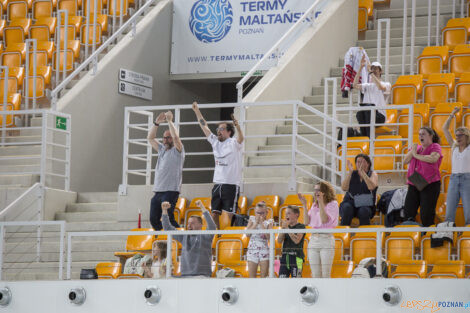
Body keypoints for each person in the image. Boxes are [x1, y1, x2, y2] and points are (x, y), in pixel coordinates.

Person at [192, 101, 244, 229]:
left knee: (227, 216)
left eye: (222, 129)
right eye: (218, 129)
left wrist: (238, 126)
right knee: (214, 214)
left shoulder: (233, 143)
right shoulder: (215, 142)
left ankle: (226, 238)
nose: (219, 131)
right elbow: (204, 126)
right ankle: (216, 237)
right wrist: (196, 111)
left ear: (229, 132)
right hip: (217, 184)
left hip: (231, 184)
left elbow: (241, 138)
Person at [147, 111, 184, 230]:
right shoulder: (162, 149)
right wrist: (156, 123)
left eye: (168, 137)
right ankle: (162, 237)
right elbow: (150, 138)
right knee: (153, 218)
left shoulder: (178, 150)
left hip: (170, 190)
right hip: (158, 191)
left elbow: (176, 138)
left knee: (168, 217)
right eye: (164, 137)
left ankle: (181, 238)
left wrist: (169, 121)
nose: (165, 140)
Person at [161, 200, 215, 277]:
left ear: (200, 225)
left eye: (192, 223)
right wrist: (164, 210)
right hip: (185, 275)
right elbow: (167, 228)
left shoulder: (206, 236)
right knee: (167, 279)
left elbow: (212, 226)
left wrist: (202, 207)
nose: (189, 226)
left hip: (201, 276)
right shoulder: (184, 236)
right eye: (188, 223)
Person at [403, 127, 443, 227]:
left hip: (430, 183)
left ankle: (427, 236)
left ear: (431, 135)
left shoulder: (435, 146)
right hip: (415, 181)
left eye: (423, 134)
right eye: (419, 134)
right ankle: (410, 234)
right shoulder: (417, 148)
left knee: (426, 214)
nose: (420, 136)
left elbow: (433, 159)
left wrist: (416, 155)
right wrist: (413, 151)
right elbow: (405, 161)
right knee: (408, 211)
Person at [298, 181, 338, 278]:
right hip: (314, 240)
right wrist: (304, 204)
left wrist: (320, 202)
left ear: (324, 191)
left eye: (318, 190)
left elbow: (324, 220)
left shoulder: (333, 204)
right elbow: (306, 222)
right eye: (315, 190)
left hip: (326, 240)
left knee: (325, 273)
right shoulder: (314, 205)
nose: (316, 192)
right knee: (315, 274)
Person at [352, 55, 391, 137]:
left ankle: (369, 139)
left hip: (379, 116)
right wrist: (361, 67)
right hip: (368, 114)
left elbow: (381, 87)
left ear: (381, 71)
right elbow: (354, 85)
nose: (374, 70)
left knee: (369, 111)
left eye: (376, 68)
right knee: (359, 114)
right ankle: (365, 138)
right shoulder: (367, 86)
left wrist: (370, 73)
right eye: (372, 68)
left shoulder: (386, 84)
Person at [443, 107, 470, 225]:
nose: (458, 137)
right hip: (454, 179)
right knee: (449, 211)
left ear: (467, 136)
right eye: (457, 135)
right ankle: (448, 233)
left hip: (467, 179)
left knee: (468, 210)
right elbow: (445, 129)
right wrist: (452, 114)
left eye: (461, 135)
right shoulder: (454, 147)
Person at [340, 154, 378, 226]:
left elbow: (371, 187)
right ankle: (343, 233)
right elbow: (344, 188)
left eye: (362, 161)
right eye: (358, 162)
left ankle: (364, 235)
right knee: (346, 208)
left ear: (368, 164)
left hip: (365, 204)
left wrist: (363, 173)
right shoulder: (352, 173)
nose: (359, 163)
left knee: (363, 211)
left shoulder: (373, 174)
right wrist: (350, 173)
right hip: (350, 202)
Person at [246, 201, 274, 278]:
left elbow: (269, 237)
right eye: (258, 213)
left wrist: (261, 223)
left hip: (264, 250)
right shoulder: (252, 219)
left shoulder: (270, 222)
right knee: (252, 276)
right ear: (255, 212)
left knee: (264, 276)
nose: (260, 215)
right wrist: (255, 224)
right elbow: (247, 234)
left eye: (262, 213)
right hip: (252, 250)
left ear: (266, 212)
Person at [277, 205, 305, 278]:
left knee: (296, 280)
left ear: (296, 215)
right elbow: (279, 240)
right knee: (281, 280)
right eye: (286, 213)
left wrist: (287, 228)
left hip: (296, 257)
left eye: (289, 213)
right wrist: (283, 228)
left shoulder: (301, 226)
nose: (286, 215)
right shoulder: (286, 227)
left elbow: (296, 241)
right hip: (285, 257)